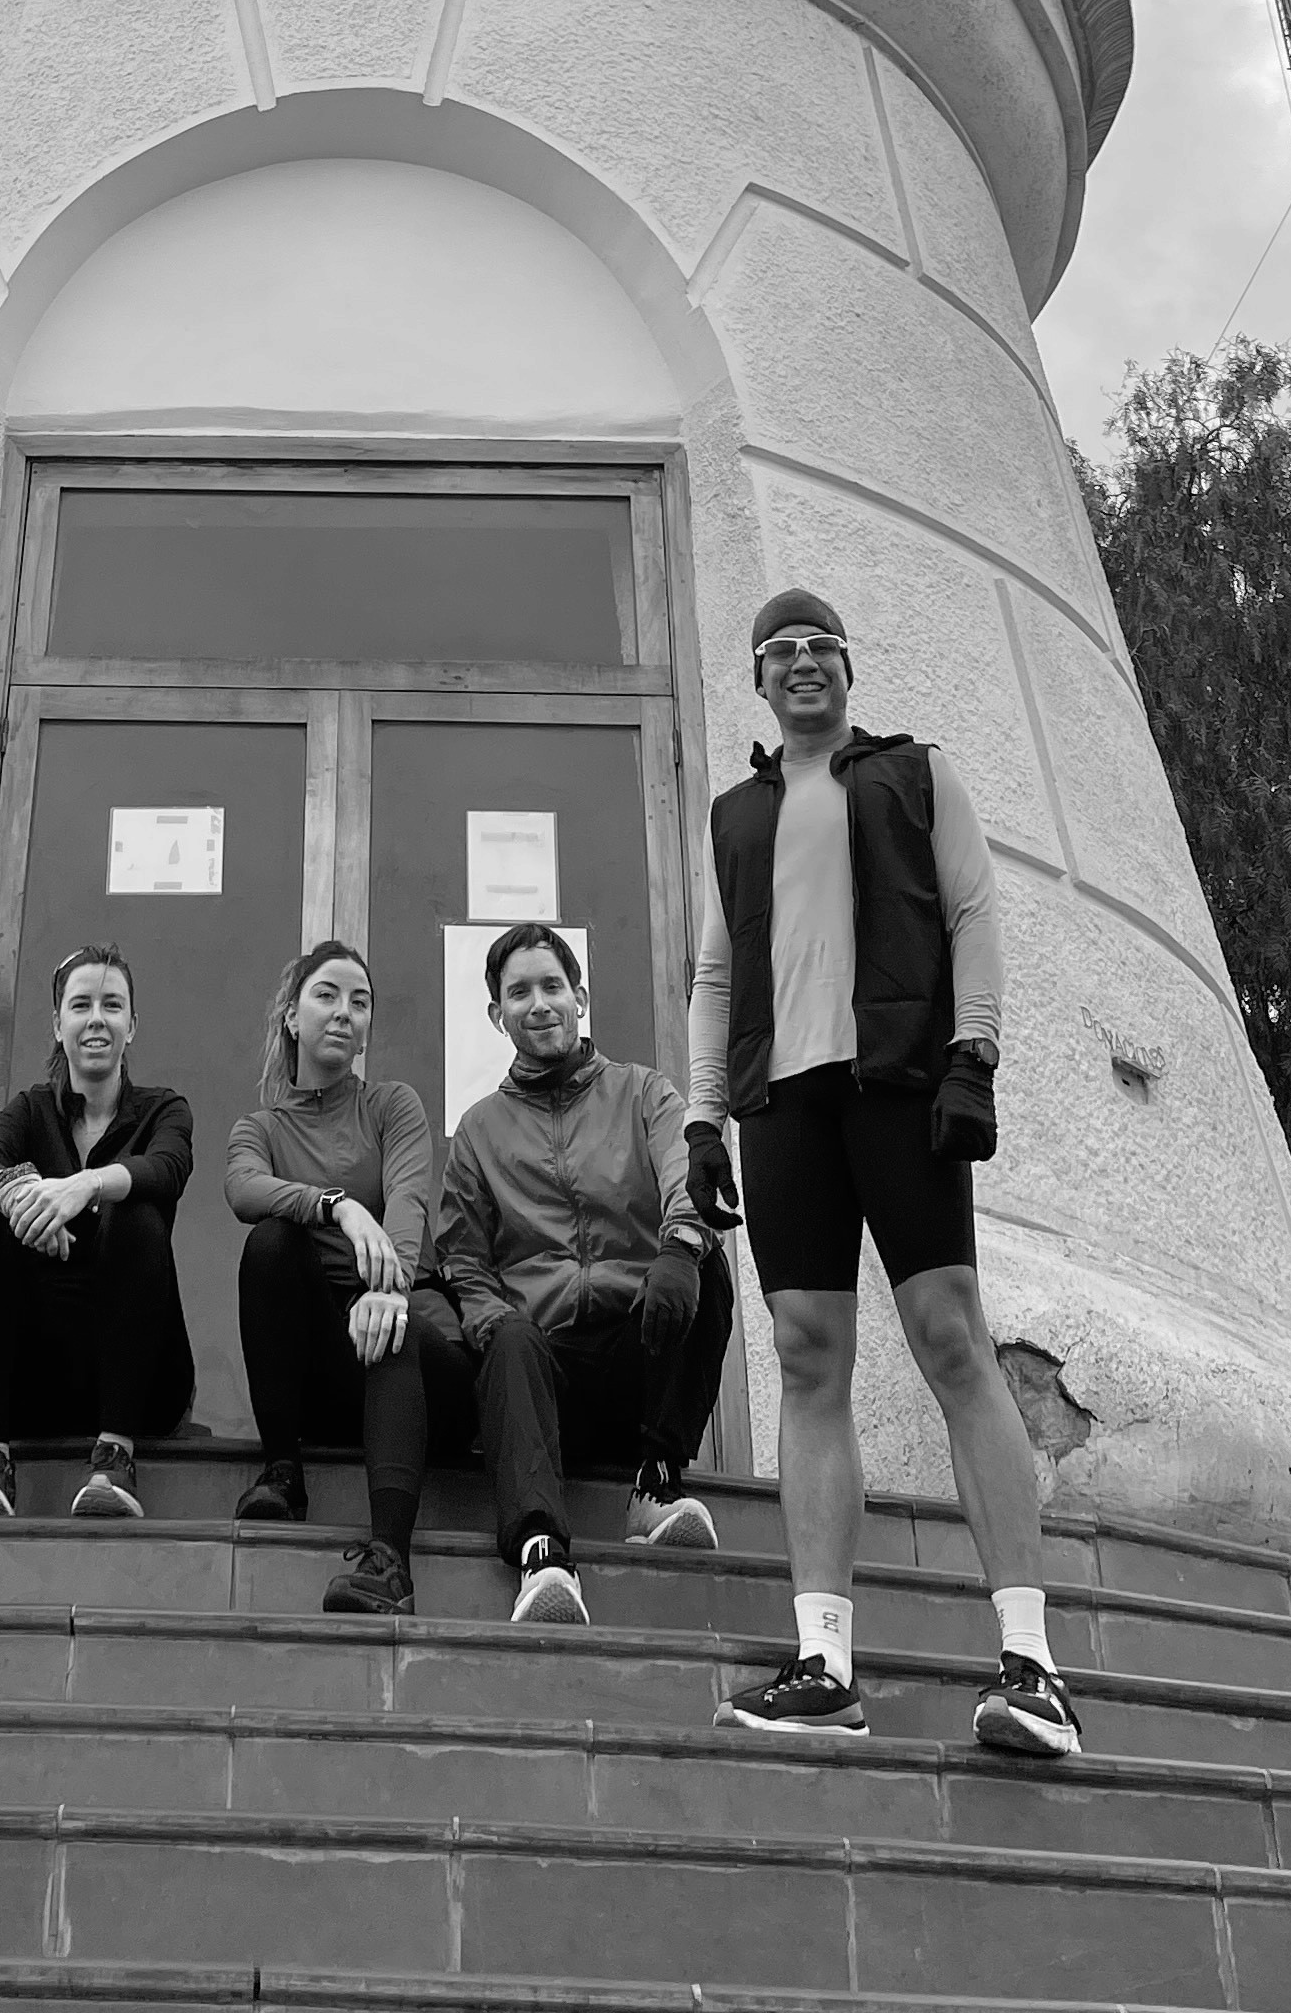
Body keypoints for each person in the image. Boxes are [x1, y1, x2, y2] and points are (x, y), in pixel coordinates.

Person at [688, 587, 1085, 1759]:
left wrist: (977, 1054)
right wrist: (705, 1121)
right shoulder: (735, 815)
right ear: (758, 681)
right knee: (810, 1357)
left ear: (848, 672)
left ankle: (1034, 1667)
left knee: (950, 1336)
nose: (802, 664)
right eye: (780, 653)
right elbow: (718, 976)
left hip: (899, 1084)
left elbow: (970, 911)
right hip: (785, 1105)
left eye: (821, 649)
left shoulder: (916, 775)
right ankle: (824, 1667)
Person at [437, 922, 733, 1629]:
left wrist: (681, 1247)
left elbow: (684, 1178)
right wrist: (495, 1320)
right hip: (549, 1383)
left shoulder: (643, 1093)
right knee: (506, 1338)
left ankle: (656, 1486)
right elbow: (463, 1262)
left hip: (641, 1355)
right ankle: (543, 1559)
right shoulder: (478, 1130)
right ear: (495, 1015)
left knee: (706, 1266)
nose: (538, 1004)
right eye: (518, 993)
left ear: (581, 997)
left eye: (551, 986)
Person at [224, 937, 466, 1616]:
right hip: (321, 1368)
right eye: (327, 995)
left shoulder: (392, 1105)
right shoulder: (261, 1127)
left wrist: (385, 1292)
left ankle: (389, 1561)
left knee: (396, 1326)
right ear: (291, 1017)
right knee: (271, 1243)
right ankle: (282, 1473)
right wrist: (337, 1205)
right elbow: (244, 1191)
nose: (344, 1013)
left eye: (359, 1002)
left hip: (404, 1363)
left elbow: (412, 1200)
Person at [0, 943, 194, 1520]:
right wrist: (21, 1196)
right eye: (81, 1005)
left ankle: (115, 1456)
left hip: (142, 1383)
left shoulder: (162, 1109)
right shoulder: (31, 1111)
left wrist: (84, 1186)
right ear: (58, 1025)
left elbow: (168, 1169)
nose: (97, 1018)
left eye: (112, 1005)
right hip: (36, 1377)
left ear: (133, 1025)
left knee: (136, 1205)